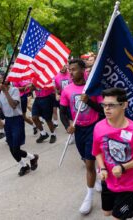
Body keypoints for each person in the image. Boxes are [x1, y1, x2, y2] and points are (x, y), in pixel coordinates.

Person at [92, 87, 133, 220]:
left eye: (111, 105)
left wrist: (123, 167)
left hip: (128, 184)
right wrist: (102, 168)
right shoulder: (99, 127)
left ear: (124, 105)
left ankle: (131, 199)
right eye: (104, 105)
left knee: (117, 217)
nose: (106, 109)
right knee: (107, 212)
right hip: (108, 181)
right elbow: (97, 152)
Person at [60, 59, 103, 215]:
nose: (71, 72)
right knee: (86, 161)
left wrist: (89, 101)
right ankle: (96, 179)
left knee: (90, 164)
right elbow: (62, 112)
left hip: (93, 128)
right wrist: (67, 126)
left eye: (74, 69)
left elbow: (103, 110)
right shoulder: (67, 90)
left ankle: (89, 197)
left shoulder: (92, 88)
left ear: (83, 70)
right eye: (69, 69)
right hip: (79, 130)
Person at [0, 75, 39, 176]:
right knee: (11, 147)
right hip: (8, 121)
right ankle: (24, 165)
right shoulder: (0, 93)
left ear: (7, 81)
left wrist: (5, 91)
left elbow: (13, 105)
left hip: (17, 120)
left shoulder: (14, 90)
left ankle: (32, 157)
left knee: (15, 148)